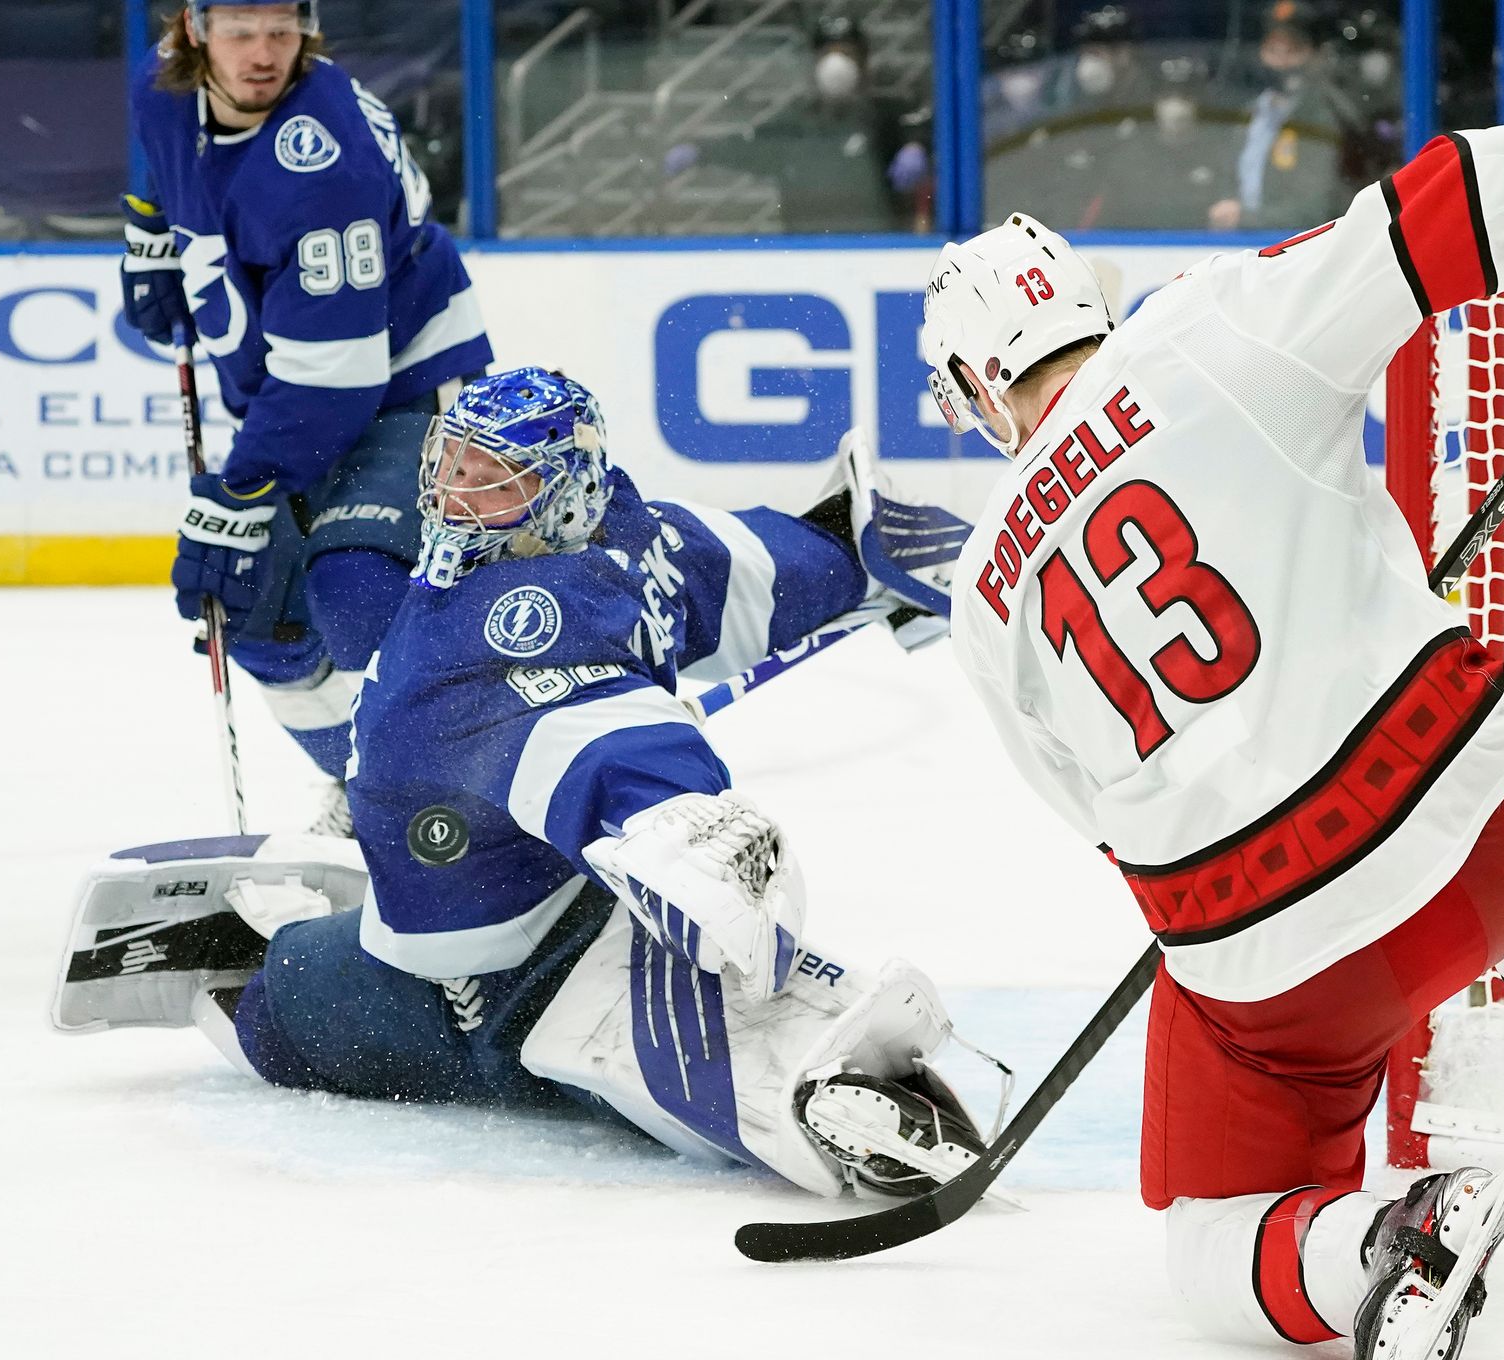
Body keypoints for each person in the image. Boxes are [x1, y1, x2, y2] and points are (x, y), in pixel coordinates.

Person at [918, 122, 1504, 1355]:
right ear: (1084, 302)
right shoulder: (1207, 324)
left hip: (1281, 963)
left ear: (983, 387)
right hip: (1497, 835)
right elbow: (1460, 191)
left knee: (1213, 1231)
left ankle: (1380, 1248)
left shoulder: (982, 594)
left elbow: (1103, 823)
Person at [51, 367, 997, 1200]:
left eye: (491, 483)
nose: (456, 500)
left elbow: (593, 731)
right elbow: (740, 567)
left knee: (283, 1010)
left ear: (559, 498)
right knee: (307, 987)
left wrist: (681, 824)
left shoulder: (500, 626)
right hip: (536, 885)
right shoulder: (630, 533)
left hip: (486, 979)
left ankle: (808, 1091)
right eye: (452, 470)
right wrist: (846, 551)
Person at [121, 1, 493, 832]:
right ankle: (373, 793)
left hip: (404, 378)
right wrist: (152, 233)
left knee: (356, 587)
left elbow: (336, 376)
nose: (262, 54)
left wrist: (244, 489)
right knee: (254, 608)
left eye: (282, 32)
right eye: (241, 32)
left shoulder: (324, 168)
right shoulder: (161, 84)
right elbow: (164, 161)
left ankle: (445, 798)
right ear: (194, 30)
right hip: (298, 388)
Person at [664, 14, 930, 234]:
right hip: (805, 250)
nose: (837, 66)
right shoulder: (795, 122)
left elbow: (921, 130)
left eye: (847, 54)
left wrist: (915, 146)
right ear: (815, 62)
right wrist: (701, 151)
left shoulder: (884, 117)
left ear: (863, 62)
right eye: (829, 55)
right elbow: (749, 146)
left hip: (874, 248)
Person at [1209, 8, 1361, 231]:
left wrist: (1247, 218)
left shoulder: (1326, 115)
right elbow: (1224, 180)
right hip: (1242, 245)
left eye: (1292, 50)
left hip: (1296, 246)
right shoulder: (1249, 114)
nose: (1281, 61)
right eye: (1273, 50)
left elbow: (1315, 208)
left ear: (1314, 55)